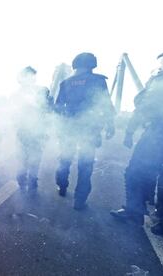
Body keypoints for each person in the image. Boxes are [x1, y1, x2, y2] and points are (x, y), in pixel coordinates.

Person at [54, 52, 115, 210]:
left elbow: (58, 107)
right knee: (85, 164)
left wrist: (59, 127)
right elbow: (105, 105)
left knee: (65, 159)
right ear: (92, 65)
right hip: (89, 129)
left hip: (69, 128)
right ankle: (79, 201)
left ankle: (61, 186)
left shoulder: (66, 83)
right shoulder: (98, 81)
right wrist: (110, 125)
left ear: (75, 65)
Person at [111, 53, 163, 228]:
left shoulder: (158, 81)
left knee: (135, 171)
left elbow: (144, 106)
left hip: (158, 133)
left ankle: (135, 211)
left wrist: (129, 131)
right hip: (157, 132)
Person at [16, 66, 53, 194]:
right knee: (29, 158)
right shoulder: (25, 93)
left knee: (28, 158)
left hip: (34, 131)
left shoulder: (39, 91)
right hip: (29, 131)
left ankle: (26, 181)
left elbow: (48, 110)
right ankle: (27, 182)